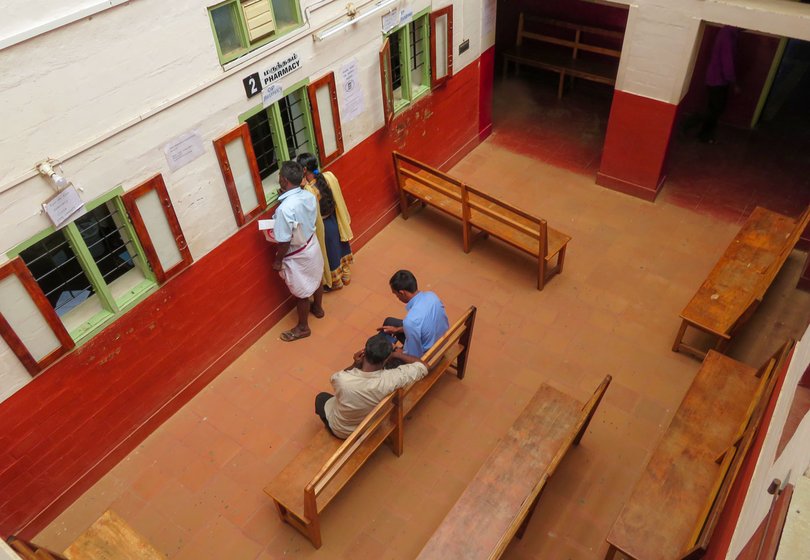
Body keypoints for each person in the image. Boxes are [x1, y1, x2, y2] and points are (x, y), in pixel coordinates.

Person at [315, 333, 428, 438]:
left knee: (321, 398)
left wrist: (354, 364)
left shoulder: (342, 380)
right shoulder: (392, 379)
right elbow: (424, 366)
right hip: (371, 425)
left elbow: (336, 380)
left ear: (364, 352)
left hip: (342, 431)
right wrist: (396, 354)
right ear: (386, 360)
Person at [267, 161, 325, 341]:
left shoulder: (285, 208)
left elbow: (284, 240)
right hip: (312, 244)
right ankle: (318, 308)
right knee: (316, 277)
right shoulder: (307, 195)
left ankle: (303, 327)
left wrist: (278, 261)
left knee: (301, 292)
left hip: (297, 252)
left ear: (284, 181)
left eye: (279, 178)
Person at [296, 153, 354, 291]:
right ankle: (346, 274)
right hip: (335, 218)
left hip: (324, 226)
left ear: (304, 170)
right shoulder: (328, 177)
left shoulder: (308, 190)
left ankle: (336, 282)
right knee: (341, 245)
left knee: (331, 252)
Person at [379, 270, 449, 359]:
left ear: (402, 293)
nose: (398, 298)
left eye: (396, 295)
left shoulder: (410, 321)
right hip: (441, 342)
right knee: (390, 322)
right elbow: (421, 326)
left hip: (428, 357)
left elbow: (413, 357)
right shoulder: (432, 296)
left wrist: (394, 350)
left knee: (386, 354)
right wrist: (397, 330)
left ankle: (374, 357)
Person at [699, 26, 740, 144]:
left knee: (713, 108)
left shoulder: (726, 32)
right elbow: (728, 62)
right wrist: (733, 82)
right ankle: (701, 132)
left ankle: (703, 133)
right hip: (719, 80)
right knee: (716, 109)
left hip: (714, 78)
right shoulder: (729, 36)